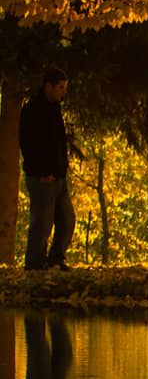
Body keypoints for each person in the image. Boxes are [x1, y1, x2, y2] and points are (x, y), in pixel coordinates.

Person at [19, 65, 76, 271]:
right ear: (48, 86)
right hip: (42, 177)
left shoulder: (54, 109)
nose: (63, 92)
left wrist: (61, 169)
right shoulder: (33, 110)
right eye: (60, 87)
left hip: (58, 177)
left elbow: (58, 143)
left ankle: (56, 259)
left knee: (67, 219)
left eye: (64, 87)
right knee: (42, 223)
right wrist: (42, 172)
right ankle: (35, 263)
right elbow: (28, 144)